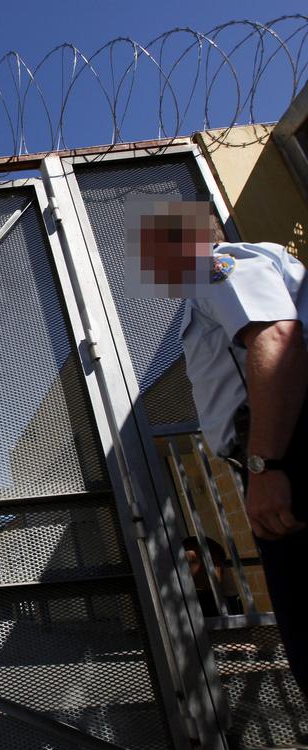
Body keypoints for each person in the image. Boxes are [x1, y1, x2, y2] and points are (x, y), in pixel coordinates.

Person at [130, 198, 308, 694]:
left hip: (286, 449)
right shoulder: (219, 278)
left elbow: (275, 337)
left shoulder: (211, 267)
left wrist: (266, 464)